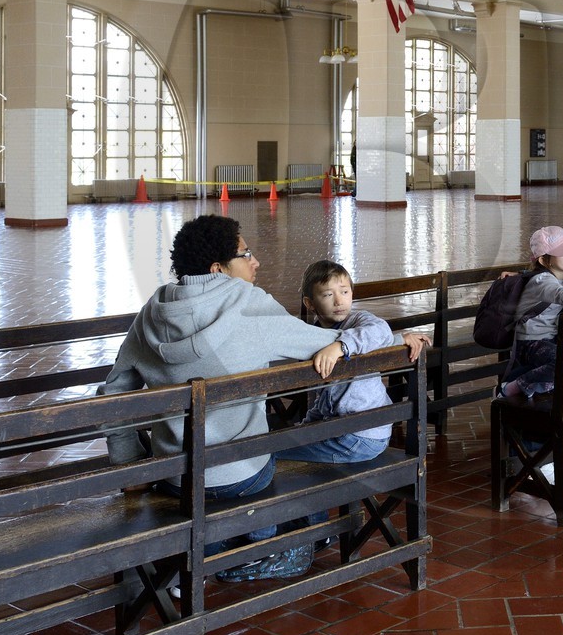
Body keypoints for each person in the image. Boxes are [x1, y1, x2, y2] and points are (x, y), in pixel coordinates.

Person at [98, 214, 427, 584]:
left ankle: (196, 562)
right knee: (274, 454)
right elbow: (323, 345)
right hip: (243, 477)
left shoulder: (151, 313)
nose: (256, 261)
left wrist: (130, 465)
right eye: (246, 254)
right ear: (218, 268)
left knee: (282, 446)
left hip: (175, 476)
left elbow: (113, 393)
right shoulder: (248, 303)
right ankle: (264, 544)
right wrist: (396, 340)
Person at [284, 259, 400, 465]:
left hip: (362, 435)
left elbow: (381, 331)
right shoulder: (313, 336)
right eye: (328, 294)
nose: (339, 301)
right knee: (281, 444)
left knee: (272, 453)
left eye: (344, 292)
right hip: (342, 430)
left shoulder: (357, 321)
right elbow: (326, 395)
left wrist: (341, 346)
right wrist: (308, 425)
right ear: (309, 303)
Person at [499, 226, 563, 405]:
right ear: (544, 260)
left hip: (546, 340)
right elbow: (556, 292)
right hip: (530, 343)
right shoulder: (541, 281)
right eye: (562, 251)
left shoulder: (555, 274)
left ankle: (540, 405)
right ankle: (513, 387)